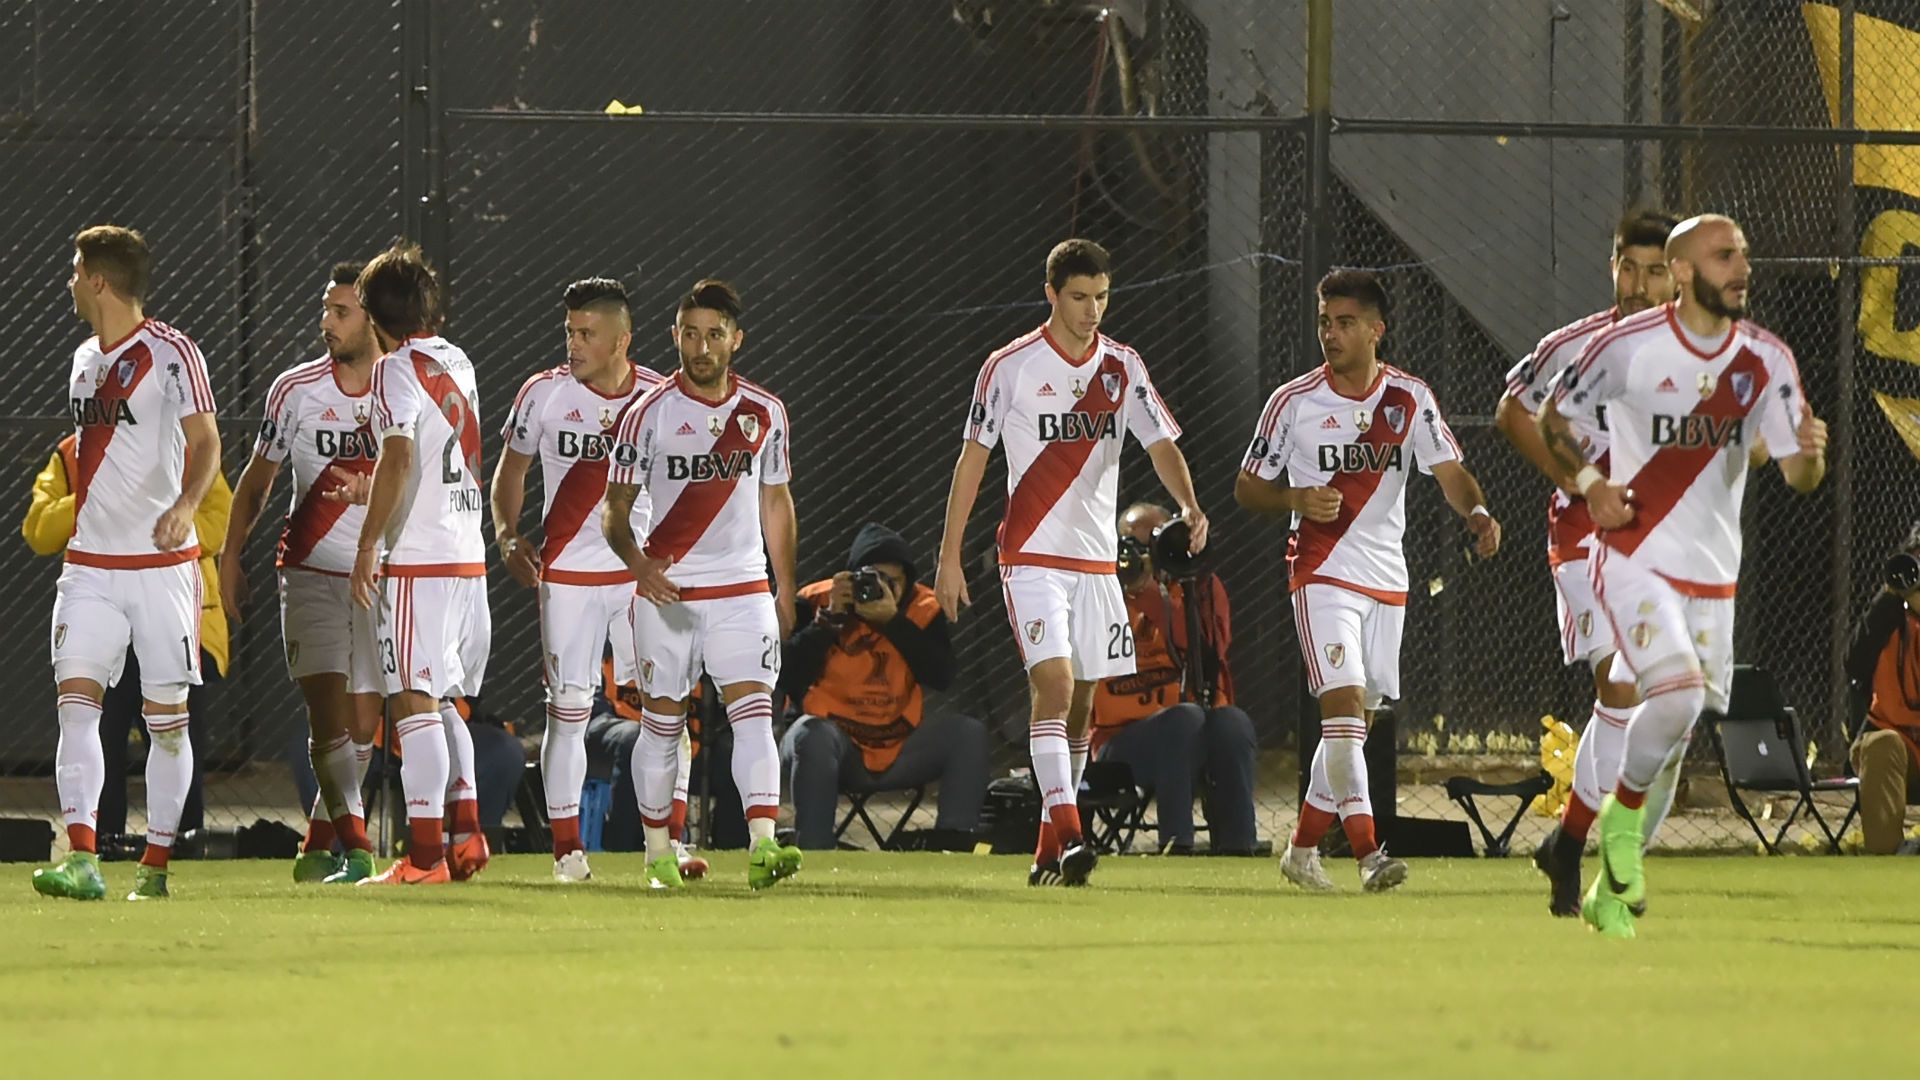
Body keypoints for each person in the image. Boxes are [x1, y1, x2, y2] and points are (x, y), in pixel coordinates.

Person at [1537, 213, 1828, 937]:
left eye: (1744, 254)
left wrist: (1812, 452)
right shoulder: (1629, 346)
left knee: (1670, 735)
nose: (1742, 267)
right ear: (1689, 271)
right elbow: (1552, 414)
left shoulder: (1766, 359)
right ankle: (1620, 838)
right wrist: (1588, 482)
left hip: (1712, 578)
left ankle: (1596, 871)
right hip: (1632, 558)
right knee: (1674, 691)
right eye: (1726, 255)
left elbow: (1796, 473)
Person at [935, 238, 1209, 887]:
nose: (1092, 310)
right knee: (1054, 688)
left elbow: (1161, 441)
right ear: (1051, 295)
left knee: (1083, 704)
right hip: (1030, 557)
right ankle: (1071, 833)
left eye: (1102, 297)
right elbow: (972, 460)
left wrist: (1189, 505)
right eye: (1080, 297)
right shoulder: (1011, 366)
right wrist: (948, 556)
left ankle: (1044, 852)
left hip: (1095, 563)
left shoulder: (1123, 367)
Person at [1236, 268, 1501, 894]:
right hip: (1321, 572)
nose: (1331, 333)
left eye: (1345, 323)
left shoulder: (1409, 399)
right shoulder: (1294, 402)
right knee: (1344, 710)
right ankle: (1368, 854)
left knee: (1355, 724)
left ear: (1377, 330)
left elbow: (1450, 471)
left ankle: (1300, 852)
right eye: (1325, 322)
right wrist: (1296, 497)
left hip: (1387, 579)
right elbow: (1248, 487)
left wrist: (1480, 512)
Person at [1495, 210, 1690, 916]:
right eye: (1627, 267)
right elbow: (1512, 410)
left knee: (1641, 699)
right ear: (1613, 267)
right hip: (1583, 540)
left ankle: (1569, 841)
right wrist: (1581, 481)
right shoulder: (1576, 346)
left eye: (1654, 270)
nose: (1638, 284)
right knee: (1622, 683)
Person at [33, 225, 223, 902]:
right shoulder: (84, 357)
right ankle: (81, 856)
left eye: (74, 269)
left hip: (161, 567)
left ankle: (156, 864)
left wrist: (186, 505)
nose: (69, 280)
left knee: (166, 720)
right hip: (88, 564)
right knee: (76, 707)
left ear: (99, 281)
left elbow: (206, 442)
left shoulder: (173, 353)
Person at [604, 278, 805, 889]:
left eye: (713, 334)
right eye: (690, 333)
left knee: (753, 714)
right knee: (663, 725)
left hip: (743, 590)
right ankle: (659, 850)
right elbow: (614, 511)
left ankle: (765, 845)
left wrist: (786, 586)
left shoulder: (765, 413)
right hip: (669, 593)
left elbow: (777, 501)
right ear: (675, 337)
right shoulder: (646, 415)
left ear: (735, 340)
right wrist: (640, 569)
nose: (700, 346)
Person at [492, 277, 665, 882]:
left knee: (664, 712)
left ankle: (663, 848)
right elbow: (509, 469)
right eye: (569, 332)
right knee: (566, 711)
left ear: (623, 338)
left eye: (587, 333)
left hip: (640, 577)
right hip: (566, 575)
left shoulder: (660, 399)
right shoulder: (543, 394)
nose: (574, 343)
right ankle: (568, 853)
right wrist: (507, 533)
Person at [221, 260, 385, 884]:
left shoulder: (405, 388)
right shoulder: (295, 391)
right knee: (328, 715)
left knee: (364, 726)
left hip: (378, 576)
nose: (327, 323)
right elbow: (258, 481)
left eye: (341, 312)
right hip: (310, 571)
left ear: (372, 320)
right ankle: (361, 849)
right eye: (325, 310)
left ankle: (318, 843)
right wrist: (231, 554)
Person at [347, 243, 493, 886]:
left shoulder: (392, 368)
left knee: (411, 703)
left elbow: (400, 456)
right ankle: (465, 837)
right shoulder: (455, 359)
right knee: (442, 704)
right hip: (466, 554)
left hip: (419, 561)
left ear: (371, 313)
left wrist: (367, 543)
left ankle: (425, 856)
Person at [23, 433, 232, 855]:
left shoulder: (187, 443)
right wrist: (97, 491)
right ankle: (99, 847)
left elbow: (218, 522)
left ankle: (177, 848)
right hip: (106, 618)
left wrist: (159, 522)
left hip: (178, 611)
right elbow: (39, 530)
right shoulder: (71, 453)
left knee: (174, 735)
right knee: (102, 737)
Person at [779, 522, 988, 849]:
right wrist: (830, 620)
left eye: (892, 581)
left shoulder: (923, 608)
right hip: (833, 746)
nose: (877, 587)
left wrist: (893, 622)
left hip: (896, 744)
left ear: (908, 583)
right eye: (870, 577)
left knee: (967, 734)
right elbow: (785, 676)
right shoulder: (818, 600)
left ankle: (951, 847)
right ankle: (815, 850)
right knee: (810, 732)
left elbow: (942, 676)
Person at [1089, 502, 1258, 854]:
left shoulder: (1201, 589)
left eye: (1153, 543)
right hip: (1119, 741)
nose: (1143, 555)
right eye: (1131, 545)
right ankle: (1177, 843)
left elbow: (1210, 649)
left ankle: (1239, 847)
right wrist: (1131, 587)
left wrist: (1154, 595)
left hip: (1191, 726)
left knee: (1232, 722)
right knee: (1184, 718)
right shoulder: (1097, 592)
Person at [1845, 552, 1920, 855]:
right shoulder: (1890, 620)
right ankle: (1887, 855)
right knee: (1882, 743)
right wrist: (1891, 599)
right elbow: (1854, 662)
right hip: (1896, 746)